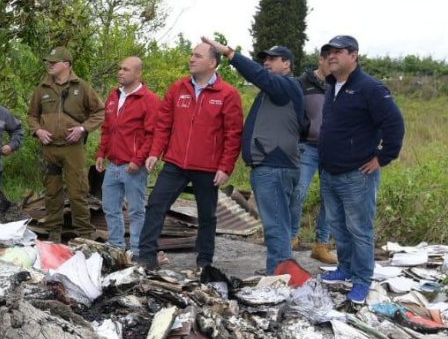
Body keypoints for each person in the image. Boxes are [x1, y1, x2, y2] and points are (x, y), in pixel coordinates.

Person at [135, 41, 244, 275]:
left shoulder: (228, 94)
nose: (191, 59)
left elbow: (233, 135)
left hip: (208, 166)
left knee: (207, 214)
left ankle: (204, 261)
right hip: (175, 162)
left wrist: (225, 167)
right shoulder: (178, 88)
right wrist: (155, 152)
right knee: (156, 204)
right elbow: (163, 124)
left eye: (197, 56)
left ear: (212, 63)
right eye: (191, 55)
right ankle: (146, 257)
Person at [318, 35, 405, 304]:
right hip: (330, 172)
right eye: (328, 52)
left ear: (354, 55)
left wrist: (383, 157)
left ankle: (362, 280)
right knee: (339, 227)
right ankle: (345, 269)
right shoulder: (332, 86)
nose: (332, 56)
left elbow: (395, 123)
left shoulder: (370, 88)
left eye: (338, 51)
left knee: (359, 229)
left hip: (357, 174)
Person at [205, 38, 303, 276]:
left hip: (273, 165)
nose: (266, 63)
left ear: (287, 64)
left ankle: (279, 278)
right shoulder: (276, 91)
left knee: (275, 226)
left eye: (272, 59)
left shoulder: (285, 86)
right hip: (273, 165)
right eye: (264, 59)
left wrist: (229, 53)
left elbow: (259, 75)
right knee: (279, 224)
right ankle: (279, 271)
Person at [27, 46, 105, 242]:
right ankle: (54, 231)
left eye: (54, 62)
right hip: (50, 149)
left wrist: (83, 129)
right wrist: (37, 130)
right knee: (52, 191)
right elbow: (32, 116)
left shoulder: (83, 87)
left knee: (78, 191)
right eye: (48, 62)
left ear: (67, 64)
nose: (49, 65)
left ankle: (84, 233)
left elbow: (100, 112)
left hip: (73, 149)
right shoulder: (42, 89)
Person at [95, 56, 158, 254]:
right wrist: (101, 153)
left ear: (138, 73)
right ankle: (116, 246)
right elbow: (107, 128)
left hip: (133, 167)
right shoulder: (114, 97)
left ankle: (138, 250)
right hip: (113, 164)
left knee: (136, 210)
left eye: (126, 69)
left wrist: (137, 160)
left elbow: (151, 135)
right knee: (110, 207)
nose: (120, 72)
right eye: (120, 68)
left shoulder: (149, 100)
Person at [292, 52, 337, 264]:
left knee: (329, 197)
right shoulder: (302, 83)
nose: (332, 64)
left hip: (331, 150)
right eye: (329, 60)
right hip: (307, 147)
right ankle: (292, 236)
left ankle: (321, 245)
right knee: (298, 191)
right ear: (320, 60)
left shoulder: (341, 86)